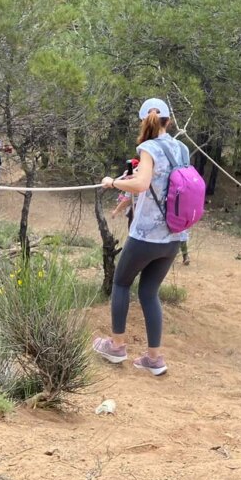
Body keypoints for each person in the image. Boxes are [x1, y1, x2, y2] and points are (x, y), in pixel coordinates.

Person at [93, 98, 190, 376]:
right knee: (149, 292)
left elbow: (143, 183)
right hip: (174, 235)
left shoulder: (148, 148)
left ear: (143, 121)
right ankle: (154, 359)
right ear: (168, 121)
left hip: (147, 234)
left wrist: (113, 182)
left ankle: (116, 346)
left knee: (121, 282)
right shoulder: (181, 148)